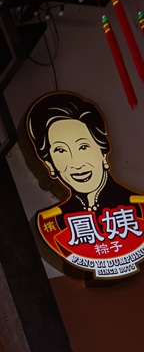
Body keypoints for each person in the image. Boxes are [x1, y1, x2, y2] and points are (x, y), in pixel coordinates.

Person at [25, 90, 144, 278]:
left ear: (103, 149)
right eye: (61, 151)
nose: (76, 163)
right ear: (50, 165)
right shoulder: (50, 224)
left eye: (83, 146)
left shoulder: (141, 208)